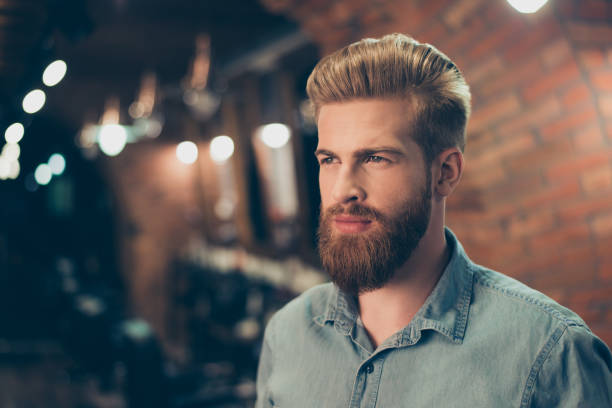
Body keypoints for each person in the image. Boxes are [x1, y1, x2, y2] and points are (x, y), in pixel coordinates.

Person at [255, 33, 612, 407]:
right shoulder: (287, 334)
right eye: (329, 160)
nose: (343, 190)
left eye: (376, 158)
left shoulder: (550, 353)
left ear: (445, 172)